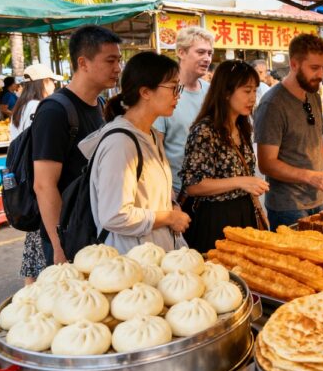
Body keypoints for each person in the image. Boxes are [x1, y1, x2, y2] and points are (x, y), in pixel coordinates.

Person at [80, 52, 190, 255]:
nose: (178, 95)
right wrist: (168, 217)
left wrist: (172, 207)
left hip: (154, 254)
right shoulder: (120, 144)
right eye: (173, 87)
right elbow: (115, 215)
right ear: (146, 92)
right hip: (131, 260)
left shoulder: (152, 135)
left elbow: (152, 195)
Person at [33, 25, 122, 265]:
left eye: (119, 60)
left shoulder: (101, 105)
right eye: (110, 60)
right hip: (68, 236)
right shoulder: (54, 111)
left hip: (94, 229)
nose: (118, 68)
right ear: (83, 63)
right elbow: (44, 184)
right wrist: (59, 246)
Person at [254, 34, 323, 229]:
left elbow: (316, 141)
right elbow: (266, 163)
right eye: (314, 68)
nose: (321, 75)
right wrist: (311, 176)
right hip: (288, 206)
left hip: (319, 199)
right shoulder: (273, 104)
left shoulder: (313, 94)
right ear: (294, 64)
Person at [179, 60, 270, 252]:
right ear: (226, 92)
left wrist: (259, 211)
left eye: (255, 91)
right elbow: (193, 185)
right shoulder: (205, 131)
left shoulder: (241, 127)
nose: (252, 98)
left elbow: (247, 178)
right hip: (216, 219)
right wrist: (240, 181)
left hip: (245, 213)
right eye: (247, 91)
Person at [11, 64, 61, 283]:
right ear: (43, 83)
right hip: (37, 179)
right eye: (51, 81)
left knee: (32, 245)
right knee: (41, 241)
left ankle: (29, 290)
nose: (53, 86)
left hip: (24, 181)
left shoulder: (20, 108)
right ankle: (33, 294)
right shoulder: (39, 107)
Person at [153, 26, 214, 195]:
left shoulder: (212, 92)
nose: (207, 58)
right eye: (200, 52)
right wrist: (168, 193)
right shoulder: (164, 93)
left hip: (211, 190)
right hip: (178, 192)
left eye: (209, 53)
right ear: (181, 52)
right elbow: (156, 151)